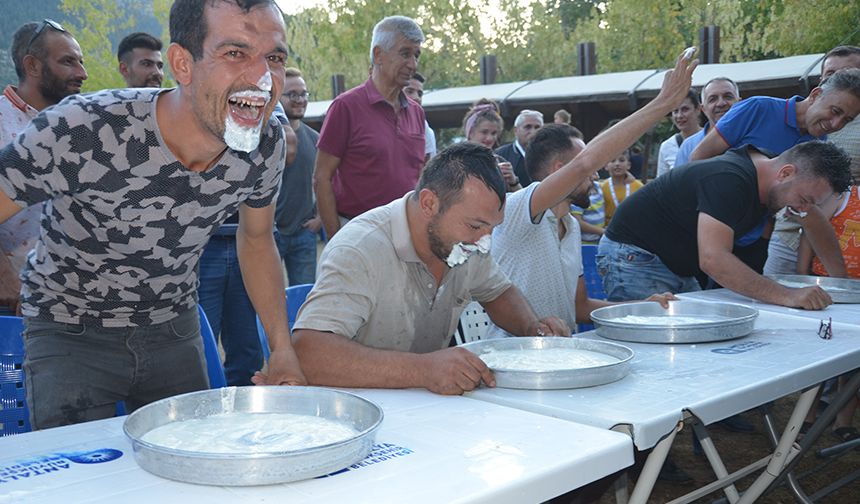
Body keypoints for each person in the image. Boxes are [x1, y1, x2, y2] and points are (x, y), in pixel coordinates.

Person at [0, 0, 306, 429]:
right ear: (183, 63)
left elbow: (255, 240)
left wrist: (281, 348)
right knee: (83, 478)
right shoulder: (81, 129)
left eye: (274, 58)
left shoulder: (265, 142)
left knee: (192, 467)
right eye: (235, 53)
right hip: (68, 329)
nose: (261, 78)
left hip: (173, 327)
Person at [275, 142, 569, 396]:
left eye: (492, 229)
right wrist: (423, 370)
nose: (484, 242)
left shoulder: (468, 242)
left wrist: (533, 328)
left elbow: (498, 292)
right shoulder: (360, 248)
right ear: (429, 203)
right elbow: (309, 353)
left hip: (427, 410)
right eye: (476, 226)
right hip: (358, 413)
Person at [598, 141, 851, 311]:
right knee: (653, 353)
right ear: (785, 173)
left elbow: (815, 224)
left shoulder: (771, 180)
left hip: (674, 263)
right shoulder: (729, 179)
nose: (804, 208)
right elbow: (714, 260)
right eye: (805, 199)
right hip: (634, 255)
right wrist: (789, 295)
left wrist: (844, 287)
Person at [488, 124, 680, 338]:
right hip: (515, 358)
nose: (595, 176)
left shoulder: (571, 226)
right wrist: (664, 102)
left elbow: (579, 307)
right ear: (561, 170)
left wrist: (641, 307)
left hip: (563, 355)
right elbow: (582, 165)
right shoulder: (518, 207)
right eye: (589, 169)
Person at [0, 20, 88, 316]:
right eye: (68, 62)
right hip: (11, 301)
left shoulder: (79, 125)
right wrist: (4, 277)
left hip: (73, 299)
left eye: (81, 62)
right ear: (32, 66)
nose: (82, 73)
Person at [314, 16, 425, 240]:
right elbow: (321, 177)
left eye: (416, 55)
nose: (413, 64)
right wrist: (337, 238)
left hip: (406, 234)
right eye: (405, 53)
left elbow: (419, 175)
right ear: (378, 55)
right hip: (357, 232)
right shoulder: (345, 106)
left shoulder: (417, 112)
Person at [764, 52, 860, 276]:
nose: (838, 80)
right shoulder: (803, 121)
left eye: (848, 74)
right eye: (831, 74)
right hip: (788, 230)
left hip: (846, 234)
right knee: (775, 294)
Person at [275, 66, 320, 286]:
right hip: (269, 234)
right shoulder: (265, 140)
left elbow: (326, 181)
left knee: (304, 300)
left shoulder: (316, 139)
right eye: (292, 94)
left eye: (303, 94)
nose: (300, 99)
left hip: (304, 234)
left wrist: (320, 219)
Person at [674, 77, 741, 167]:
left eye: (728, 97)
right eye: (713, 99)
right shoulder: (688, 146)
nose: (721, 103)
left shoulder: (753, 138)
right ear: (703, 109)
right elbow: (680, 181)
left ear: (740, 103)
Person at [462, 99, 520, 191]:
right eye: (484, 132)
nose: (489, 138)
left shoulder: (500, 161)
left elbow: (520, 199)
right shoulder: (457, 162)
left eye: (494, 133)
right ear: (470, 133)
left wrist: (513, 181)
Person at [655, 89, 701, 177]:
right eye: (675, 111)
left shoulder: (711, 138)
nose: (679, 116)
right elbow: (662, 184)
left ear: (698, 109)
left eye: (685, 109)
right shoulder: (667, 146)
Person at [496, 109, 544, 187]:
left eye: (537, 127)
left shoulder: (549, 154)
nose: (533, 132)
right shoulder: (501, 155)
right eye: (528, 127)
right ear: (516, 130)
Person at [600, 149, 642, 224]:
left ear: (628, 165)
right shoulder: (601, 187)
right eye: (613, 161)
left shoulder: (639, 187)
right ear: (606, 166)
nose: (617, 164)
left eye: (621, 160)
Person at [403, 71, 436, 161]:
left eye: (420, 94)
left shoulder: (424, 127)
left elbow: (429, 163)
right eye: (410, 91)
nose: (416, 97)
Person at [570, 173, 605, 244]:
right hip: (584, 242)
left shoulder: (599, 187)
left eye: (596, 172)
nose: (595, 176)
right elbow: (578, 222)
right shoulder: (579, 194)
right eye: (591, 173)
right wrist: (602, 231)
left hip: (599, 240)